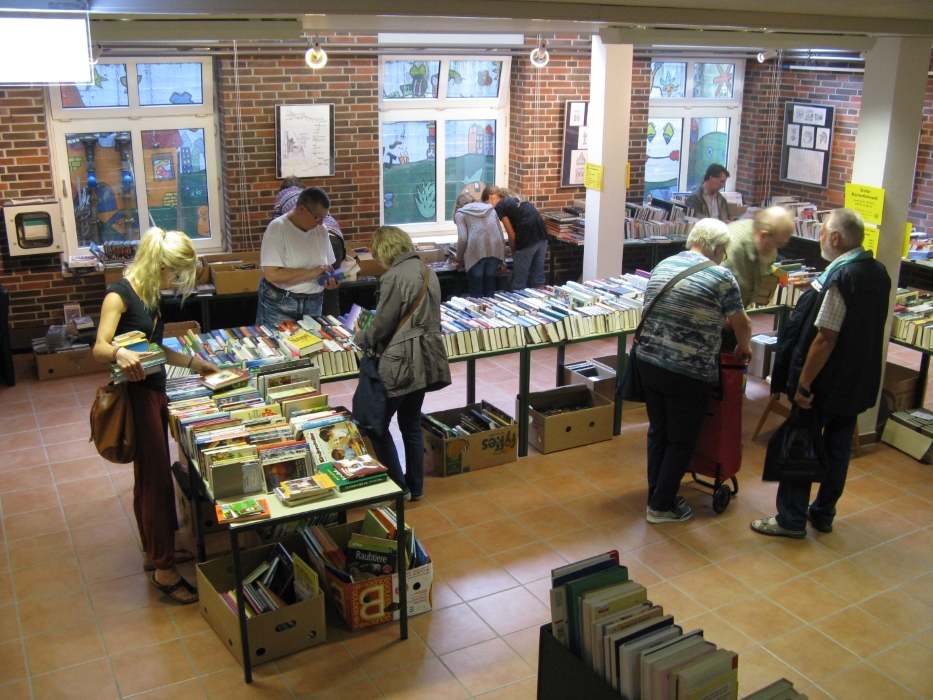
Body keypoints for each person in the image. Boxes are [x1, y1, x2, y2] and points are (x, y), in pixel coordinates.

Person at [93, 228, 218, 604]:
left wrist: (194, 363)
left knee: (150, 476)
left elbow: (155, 348)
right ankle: (164, 570)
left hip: (155, 389)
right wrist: (117, 354)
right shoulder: (119, 295)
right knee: (155, 481)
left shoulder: (148, 293)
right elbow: (99, 347)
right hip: (137, 396)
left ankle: (155, 550)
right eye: (176, 274)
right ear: (161, 265)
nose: (177, 282)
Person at [752, 208, 891, 538]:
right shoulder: (879, 272)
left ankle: (790, 519)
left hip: (825, 384)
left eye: (822, 232)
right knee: (839, 449)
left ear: (836, 238)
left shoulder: (841, 277)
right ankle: (824, 512)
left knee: (800, 449)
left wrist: (803, 383)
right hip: (858, 380)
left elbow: (825, 337)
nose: (818, 239)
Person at [634, 218, 752, 523]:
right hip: (687, 370)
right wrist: (744, 347)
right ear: (718, 247)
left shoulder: (664, 265)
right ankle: (661, 506)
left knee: (658, 431)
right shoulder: (721, 277)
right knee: (681, 440)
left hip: (648, 361)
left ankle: (655, 494)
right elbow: (742, 323)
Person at [353, 226, 451, 500]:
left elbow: (383, 324)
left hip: (399, 359)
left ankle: (399, 486)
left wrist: (362, 336)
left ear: (383, 251)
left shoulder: (394, 276)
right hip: (426, 357)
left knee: (377, 424)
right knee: (410, 422)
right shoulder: (428, 272)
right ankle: (416, 487)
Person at [256, 186, 340, 327]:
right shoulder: (277, 228)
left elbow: (325, 269)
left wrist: (329, 281)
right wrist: (311, 272)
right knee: (276, 345)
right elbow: (271, 275)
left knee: (312, 346)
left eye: (324, 218)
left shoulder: (322, 231)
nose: (320, 223)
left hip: (313, 303)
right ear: (301, 209)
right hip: (281, 304)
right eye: (317, 217)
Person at [271, 179, 346, 316]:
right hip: (335, 235)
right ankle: (333, 330)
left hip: (322, 235)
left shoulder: (283, 197)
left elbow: (277, 224)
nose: (319, 222)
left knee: (318, 280)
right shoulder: (313, 199)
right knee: (331, 293)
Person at [724, 206, 795, 308]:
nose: (777, 249)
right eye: (778, 244)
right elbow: (720, 299)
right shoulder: (733, 251)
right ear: (763, 235)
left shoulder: (761, 243)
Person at [481, 185, 548, 290]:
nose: (488, 207)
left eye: (486, 204)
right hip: (542, 235)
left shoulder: (500, 206)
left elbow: (511, 234)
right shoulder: (515, 199)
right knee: (538, 278)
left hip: (527, 238)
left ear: (492, 197)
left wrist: (514, 252)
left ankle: (519, 304)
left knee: (518, 282)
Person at [453, 192, 505, 297]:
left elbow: (462, 238)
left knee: (476, 290)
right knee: (489, 287)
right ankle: (490, 312)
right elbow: (500, 234)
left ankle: (477, 312)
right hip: (494, 251)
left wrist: (458, 257)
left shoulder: (460, 213)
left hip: (475, 254)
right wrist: (502, 260)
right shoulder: (490, 209)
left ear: (458, 205)